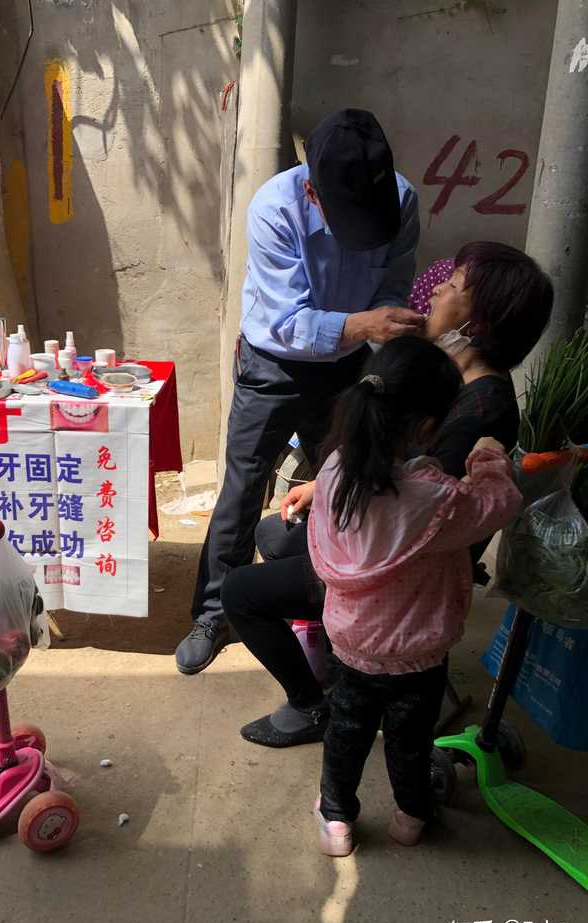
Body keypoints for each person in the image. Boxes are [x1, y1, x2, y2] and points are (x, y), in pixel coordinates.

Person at [222, 241, 554, 747]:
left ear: (479, 324)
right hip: (393, 540)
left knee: (240, 591)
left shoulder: (480, 411)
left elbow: (412, 507)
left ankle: (312, 705)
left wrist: (335, 485)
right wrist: (323, 483)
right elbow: (399, 471)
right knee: (276, 530)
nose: (438, 287)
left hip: (397, 573)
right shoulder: (451, 378)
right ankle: (335, 657)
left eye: (455, 285)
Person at [175, 108, 424, 675]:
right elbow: (289, 321)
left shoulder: (402, 200)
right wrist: (365, 324)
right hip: (274, 360)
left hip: (351, 362)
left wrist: (385, 342)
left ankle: (336, 601)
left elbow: (393, 285)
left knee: (345, 483)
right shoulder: (274, 208)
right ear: (313, 190)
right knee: (242, 487)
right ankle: (214, 612)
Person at [305, 338, 522, 854]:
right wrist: (489, 458)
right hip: (416, 658)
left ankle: (336, 821)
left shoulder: (334, 471)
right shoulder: (435, 502)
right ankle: (411, 817)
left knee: (347, 733)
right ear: (427, 428)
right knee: (408, 743)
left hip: (353, 644)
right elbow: (498, 504)